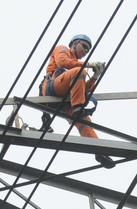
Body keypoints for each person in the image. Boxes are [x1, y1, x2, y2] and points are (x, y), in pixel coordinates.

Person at [40, 33, 114, 168]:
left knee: (84, 122)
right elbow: (62, 62)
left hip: (67, 100)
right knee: (79, 71)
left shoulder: (78, 68)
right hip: (52, 88)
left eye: (88, 50)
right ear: (75, 43)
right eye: (84, 46)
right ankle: (78, 109)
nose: (85, 51)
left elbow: (83, 89)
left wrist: (95, 77)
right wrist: (88, 65)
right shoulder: (63, 49)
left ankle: (99, 151)